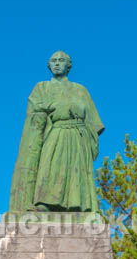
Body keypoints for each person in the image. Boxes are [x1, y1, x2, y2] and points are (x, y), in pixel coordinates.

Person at [8, 51, 105, 212]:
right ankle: (45, 202)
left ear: (69, 66)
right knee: (50, 167)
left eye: (61, 61)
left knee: (76, 171)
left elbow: (94, 122)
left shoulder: (80, 90)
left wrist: (86, 136)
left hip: (77, 136)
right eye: (53, 61)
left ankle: (78, 205)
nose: (57, 64)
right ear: (49, 65)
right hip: (54, 132)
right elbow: (34, 111)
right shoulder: (41, 87)